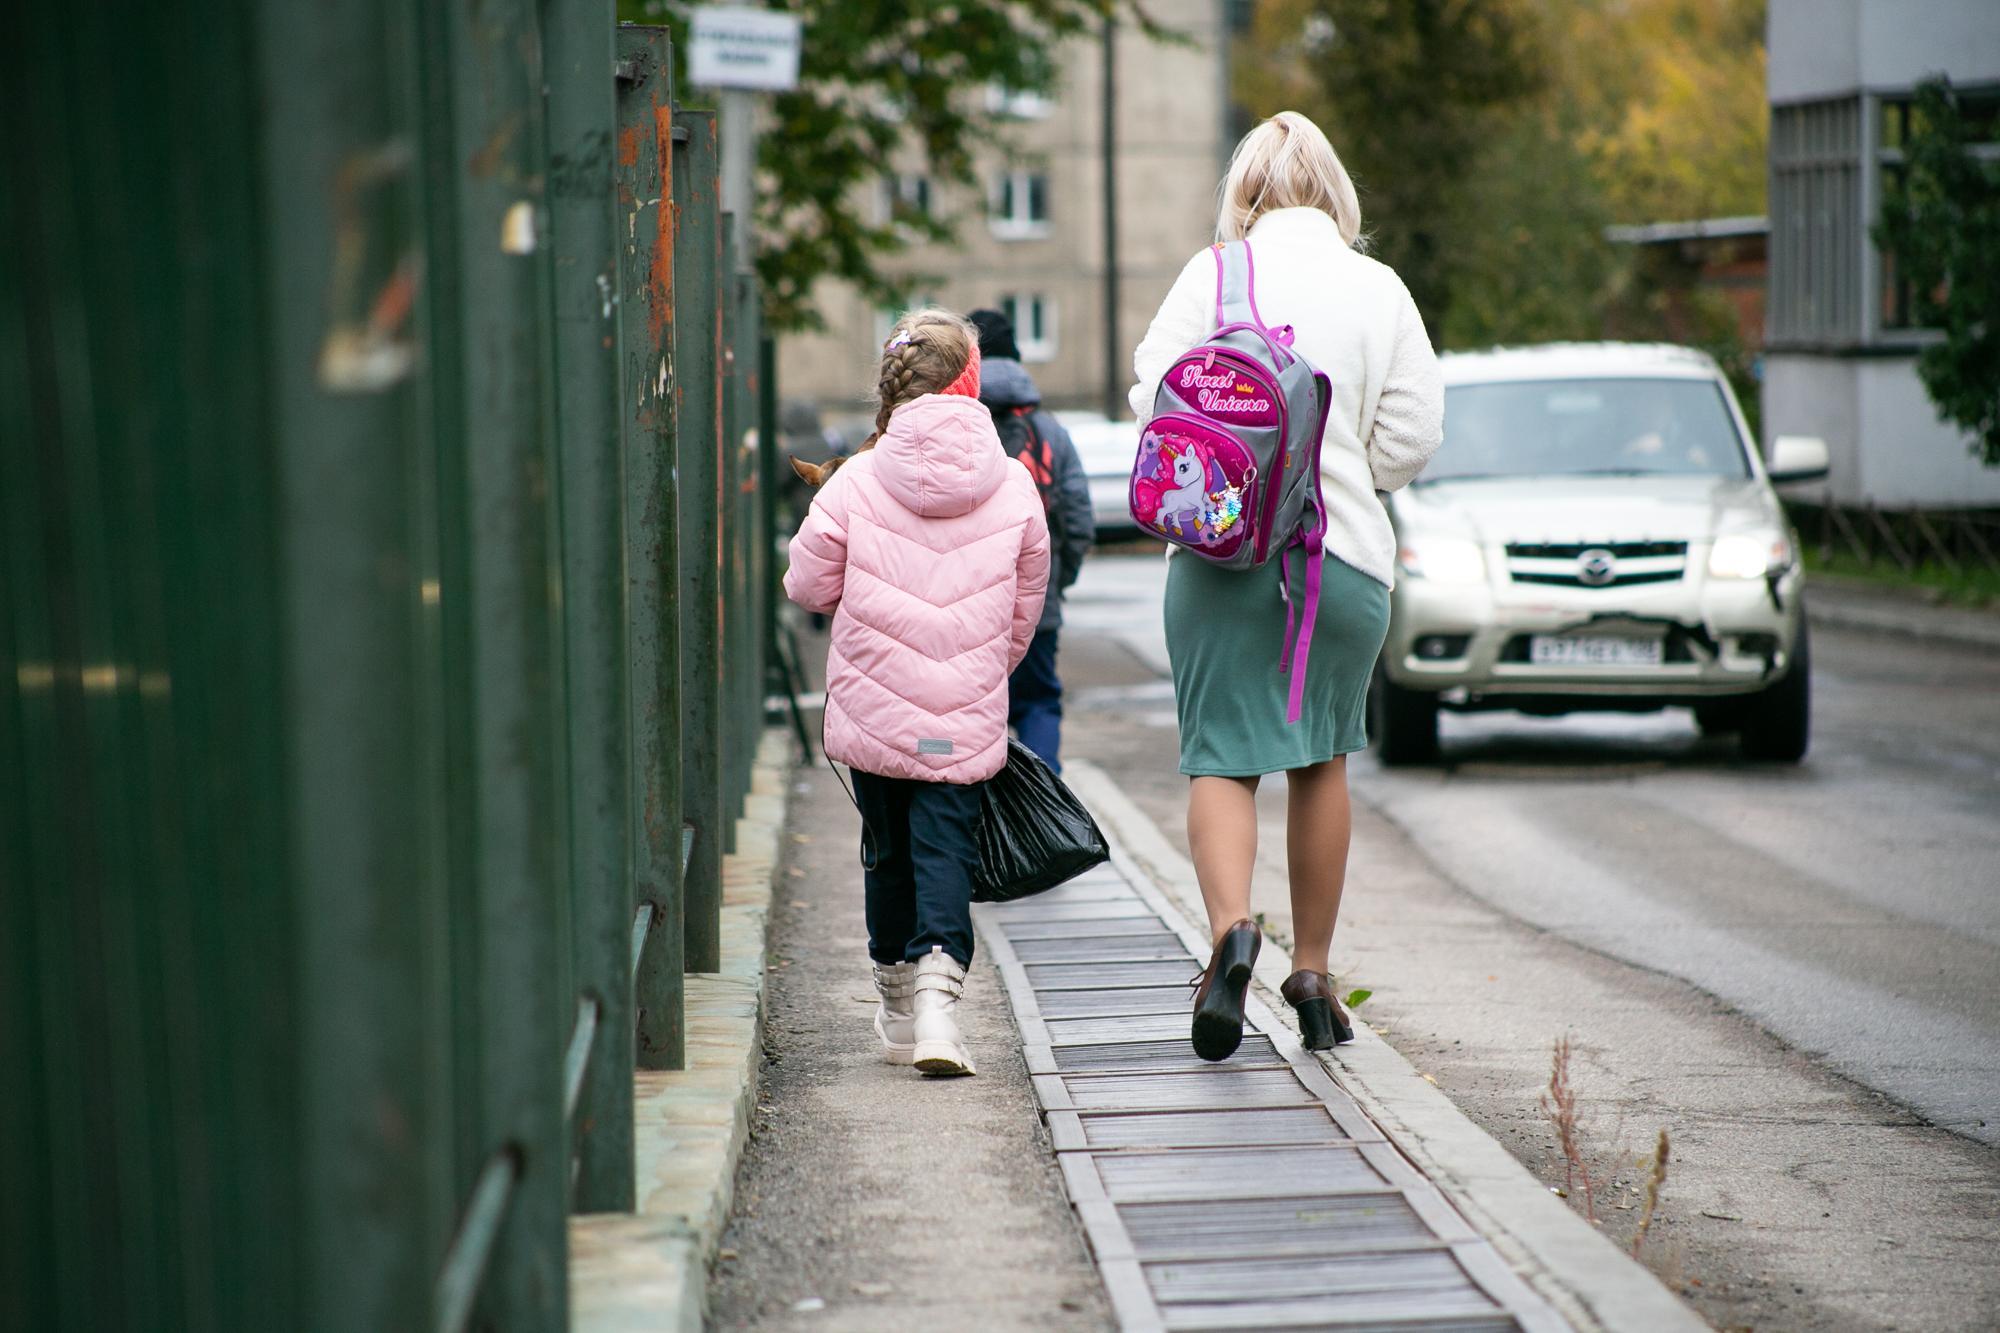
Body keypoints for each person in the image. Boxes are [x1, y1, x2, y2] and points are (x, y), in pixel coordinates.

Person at [1128, 111, 1444, 1059]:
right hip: (1340, 563)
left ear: (1247, 196)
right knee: (1323, 756)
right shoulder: (1379, 287)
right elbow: (1413, 438)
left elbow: (1154, 401)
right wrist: (1350, 470)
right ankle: (1312, 968)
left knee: (1221, 755)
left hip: (1221, 561)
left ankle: (1230, 933)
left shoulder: (1213, 275)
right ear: (1337, 194)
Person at [784, 308, 1051, 1077]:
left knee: (887, 850)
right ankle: (939, 1000)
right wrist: (979, 671)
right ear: (971, 381)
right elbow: (1024, 608)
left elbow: (805, 584)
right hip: (963, 708)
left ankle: (896, 1002)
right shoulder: (1010, 485)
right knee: (945, 849)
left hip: (874, 705)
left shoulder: (858, 478)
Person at [968, 308, 1095, 772]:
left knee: (972, 715)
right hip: (1036, 603)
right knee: (1039, 701)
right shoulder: (1050, 431)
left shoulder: (954, 426)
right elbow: (1079, 518)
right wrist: (1058, 582)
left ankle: (980, 820)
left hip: (965, 606)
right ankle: (1043, 808)